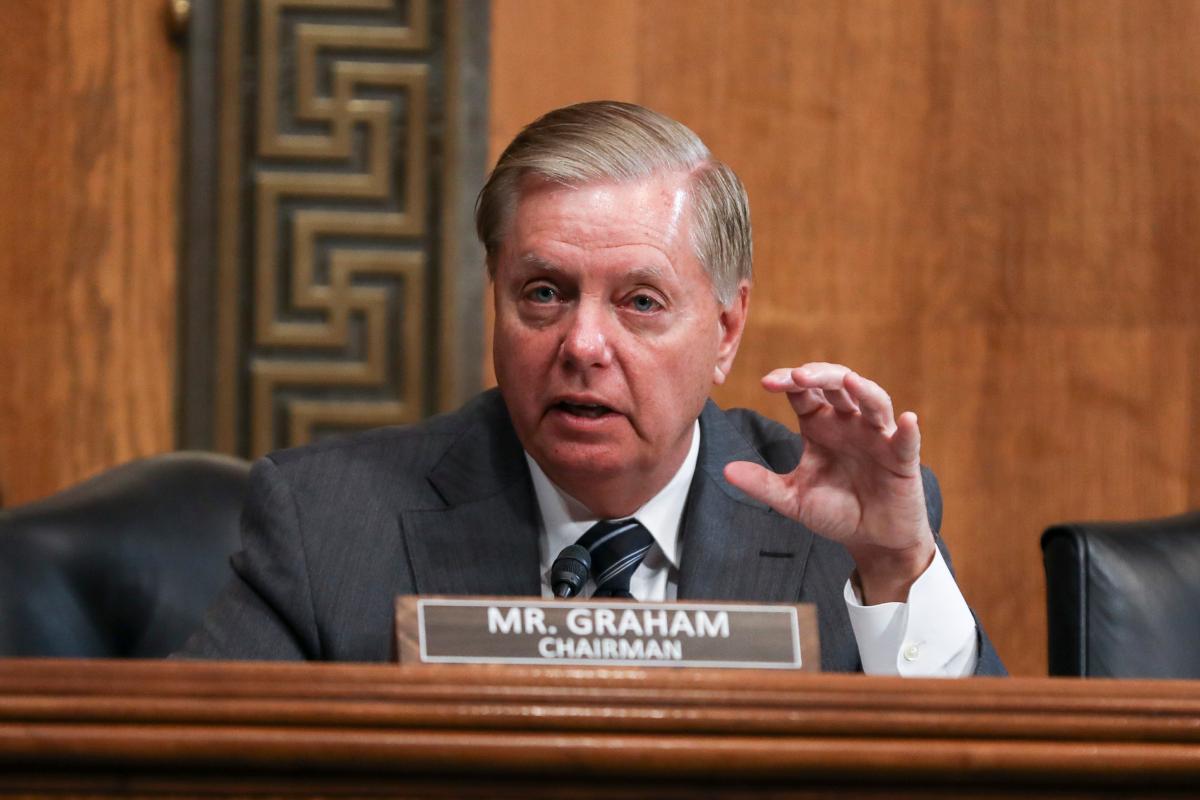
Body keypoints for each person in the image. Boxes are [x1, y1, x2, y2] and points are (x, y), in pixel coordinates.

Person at [182, 101, 1004, 676]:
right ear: (495, 298)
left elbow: (987, 786)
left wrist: (899, 567)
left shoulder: (846, 530)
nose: (581, 344)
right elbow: (193, 770)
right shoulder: (326, 521)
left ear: (725, 330)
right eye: (543, 293)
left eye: (640, 303)